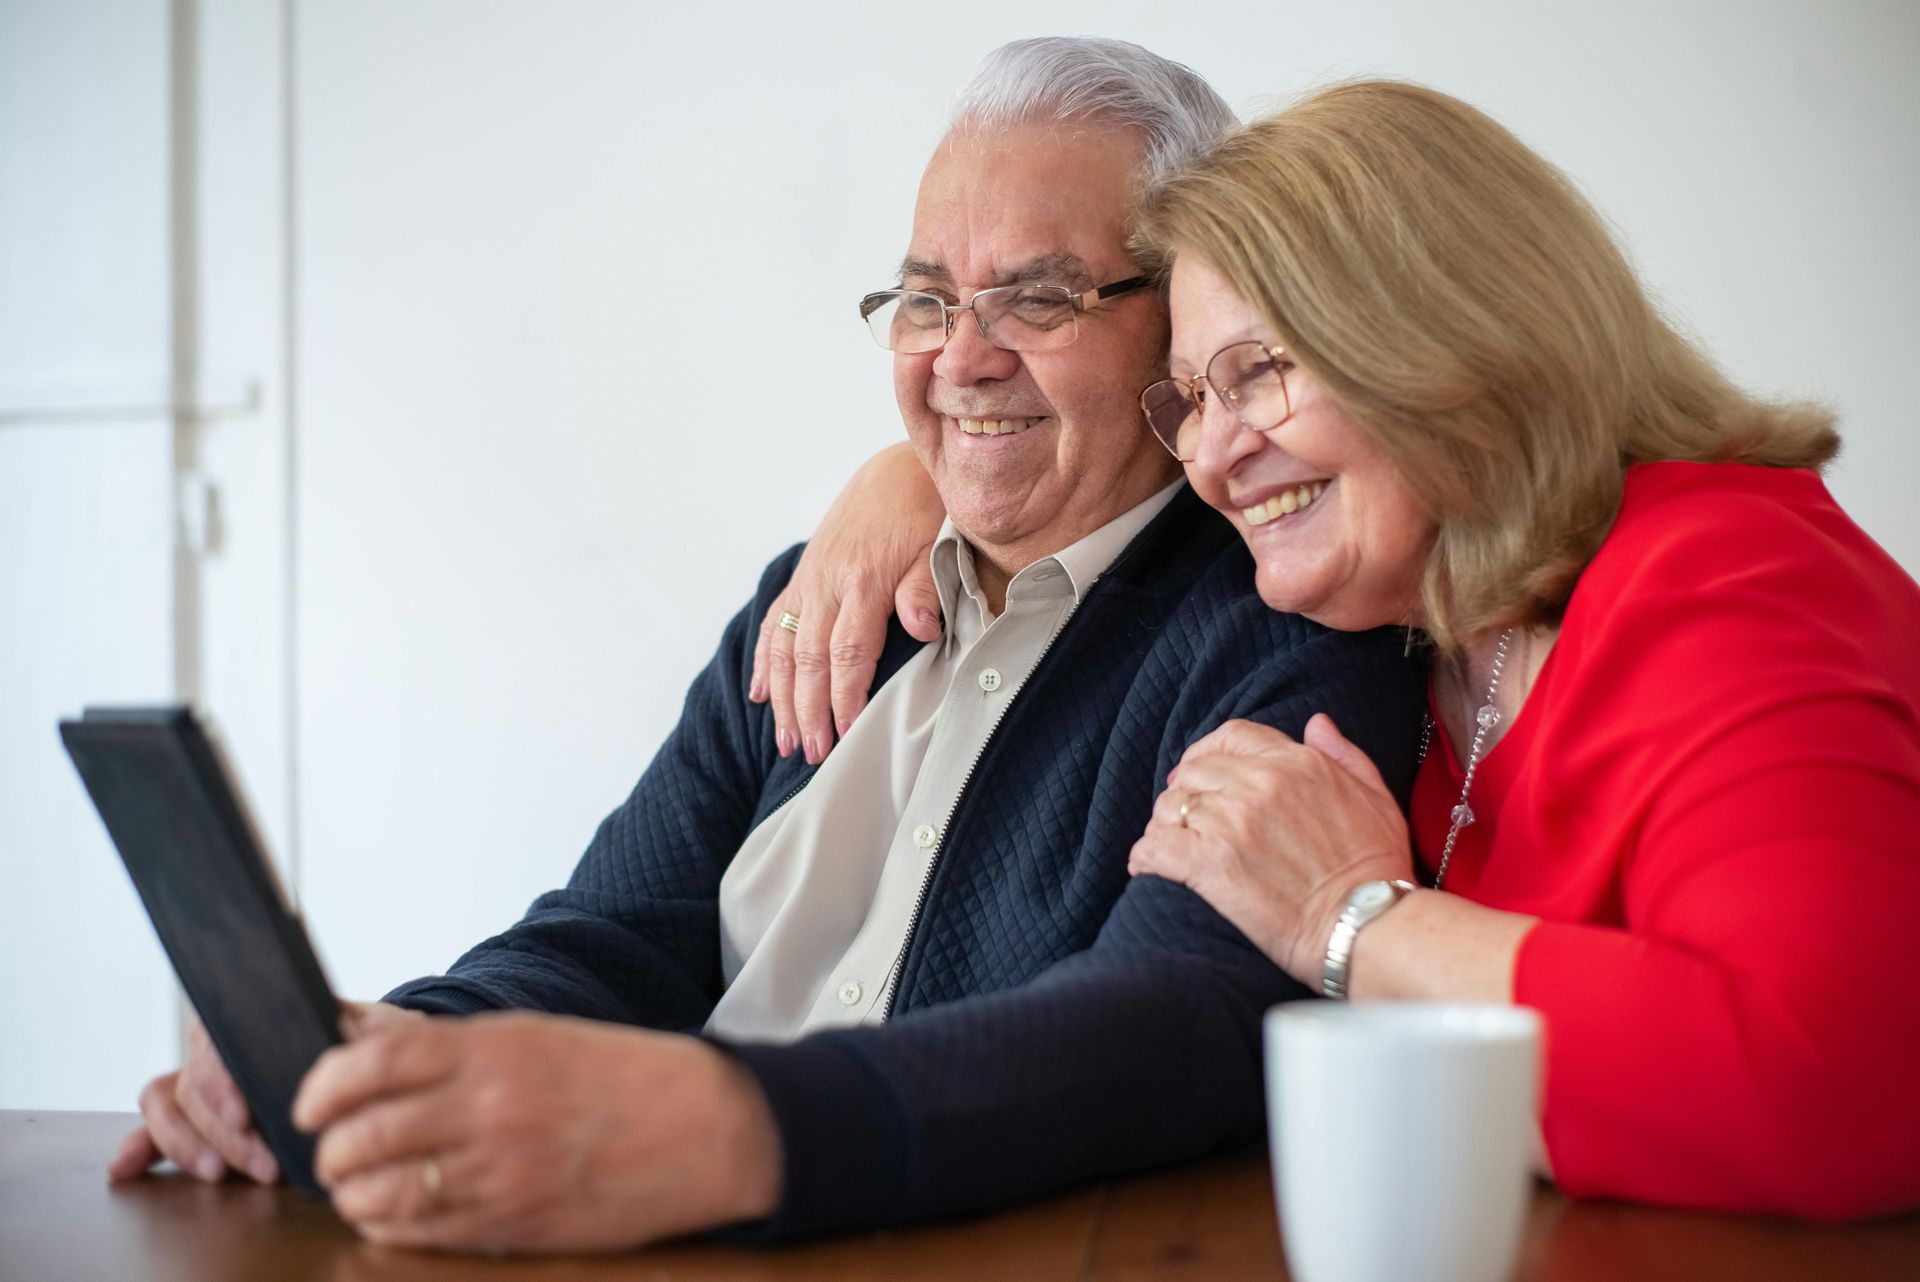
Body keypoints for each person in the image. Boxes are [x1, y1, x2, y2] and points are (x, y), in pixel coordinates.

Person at [109, 40, 1429, 1252]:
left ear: (1181, 320)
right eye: (925, 299)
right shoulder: (816, 609)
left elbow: (1160, 1030)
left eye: (1038, 298)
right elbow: (613, 934)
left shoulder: (1281, 635)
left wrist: (713, 1116)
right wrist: (377, 1057)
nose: (961, 358)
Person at [770, 81, 1920, 1221]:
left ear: (1451, 336)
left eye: (1257, 372)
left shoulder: (1726, 577)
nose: (1213, 457)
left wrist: (1351, 916)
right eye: (1188, 399)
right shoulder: (1428, 650)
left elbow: (1835, 1094)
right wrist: (917, 475)